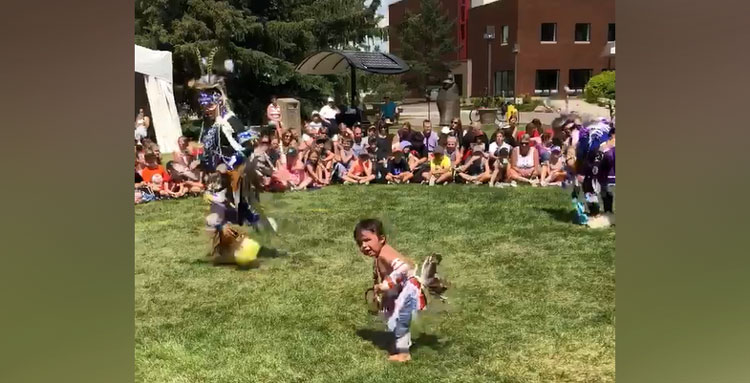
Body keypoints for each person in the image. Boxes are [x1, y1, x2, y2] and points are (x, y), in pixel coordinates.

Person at [353, 219, 426, 363]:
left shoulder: (385, 253)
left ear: (381, 239)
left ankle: (404, 354)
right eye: (360, 243)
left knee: (399, 321)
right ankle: (400, 346)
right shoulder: (379, 255)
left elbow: (403, 268)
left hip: (408, 292)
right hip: (401, 291)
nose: (364, 246)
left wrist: (386, 285)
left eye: (367, 240)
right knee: (396, 320)